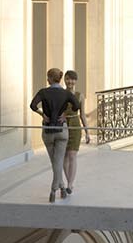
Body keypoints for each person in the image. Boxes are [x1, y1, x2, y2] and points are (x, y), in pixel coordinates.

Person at [30, 67, 71, 202]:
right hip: (62, 129)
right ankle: (62, 187)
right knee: (58, 160)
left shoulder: (43, 92)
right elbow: (76, 105)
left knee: (55, 161)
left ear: (50, 78)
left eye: (48, 77)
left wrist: (43, 114)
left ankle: (54, 189)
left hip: (48, 130)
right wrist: (64, 115)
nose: (46, 79)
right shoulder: (65, 93)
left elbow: (33, 105)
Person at [62, 70, 92, 196]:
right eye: (68, 79)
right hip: (62, 125)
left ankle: (69, 184)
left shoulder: (80, 95)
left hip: (75, 126)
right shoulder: (60, 94)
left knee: (72, 155)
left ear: (76, 81)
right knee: (64, 156)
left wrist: (87, 132)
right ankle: (69, 181)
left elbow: (83, 115)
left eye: (73, 79)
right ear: (64, 79)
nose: (70, 81)